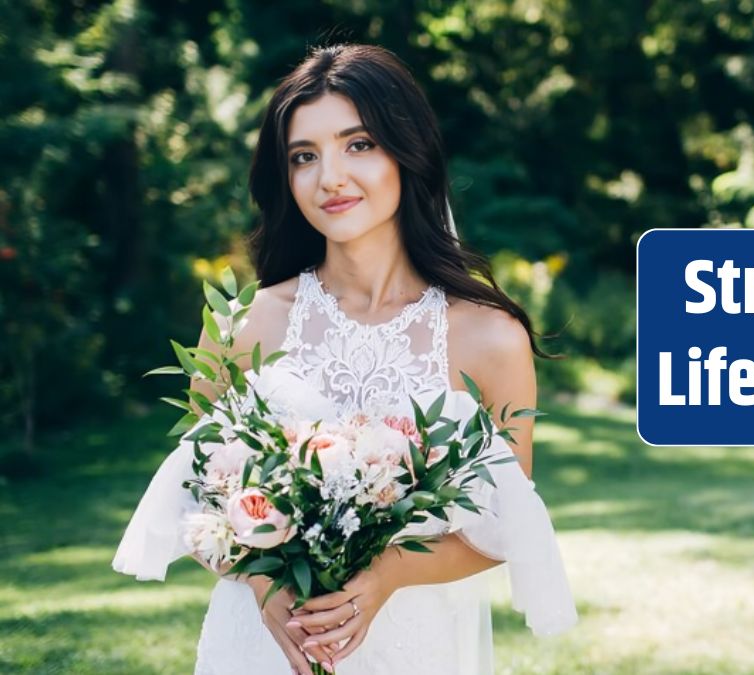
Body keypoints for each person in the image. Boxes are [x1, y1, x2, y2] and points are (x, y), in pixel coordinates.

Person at [112, 43, 577, 674]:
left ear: (406, 153)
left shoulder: (488, 336)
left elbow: (503, 525)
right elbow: (198, 498)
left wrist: (384, 578)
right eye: (304, 157)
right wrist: (263, 581)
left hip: (415, 643)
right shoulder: (243, 323)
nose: (329, 176)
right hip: (263, 645)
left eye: (358, 144)